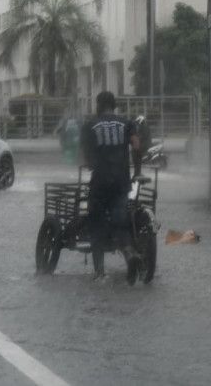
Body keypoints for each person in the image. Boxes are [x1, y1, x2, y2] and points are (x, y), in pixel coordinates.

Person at [81, 91, 141, 282]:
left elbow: (87, 153)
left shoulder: (90, 125)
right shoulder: (126, 123)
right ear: (114, 105)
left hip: (100, 183)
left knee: (96, 223)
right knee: (120, 221)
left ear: (99, 105)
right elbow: (136, 145)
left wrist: (91, 163)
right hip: (121, 182)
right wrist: (137, 169)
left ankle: (99, 273)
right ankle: (130, 254)